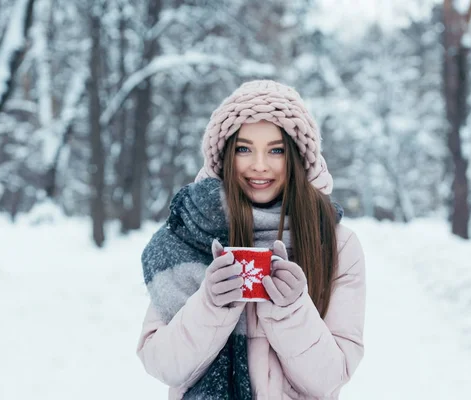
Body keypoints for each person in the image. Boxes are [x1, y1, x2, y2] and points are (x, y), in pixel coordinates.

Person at [137, 80, 366, 399]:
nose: (259, 165)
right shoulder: (190, 234)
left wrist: (290, 310)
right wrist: (211, 304)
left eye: (276, 150)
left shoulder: (336, 244)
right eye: (244, 149)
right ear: (225, 156)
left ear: (298, 159)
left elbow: (331, 378)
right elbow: (163, 365)